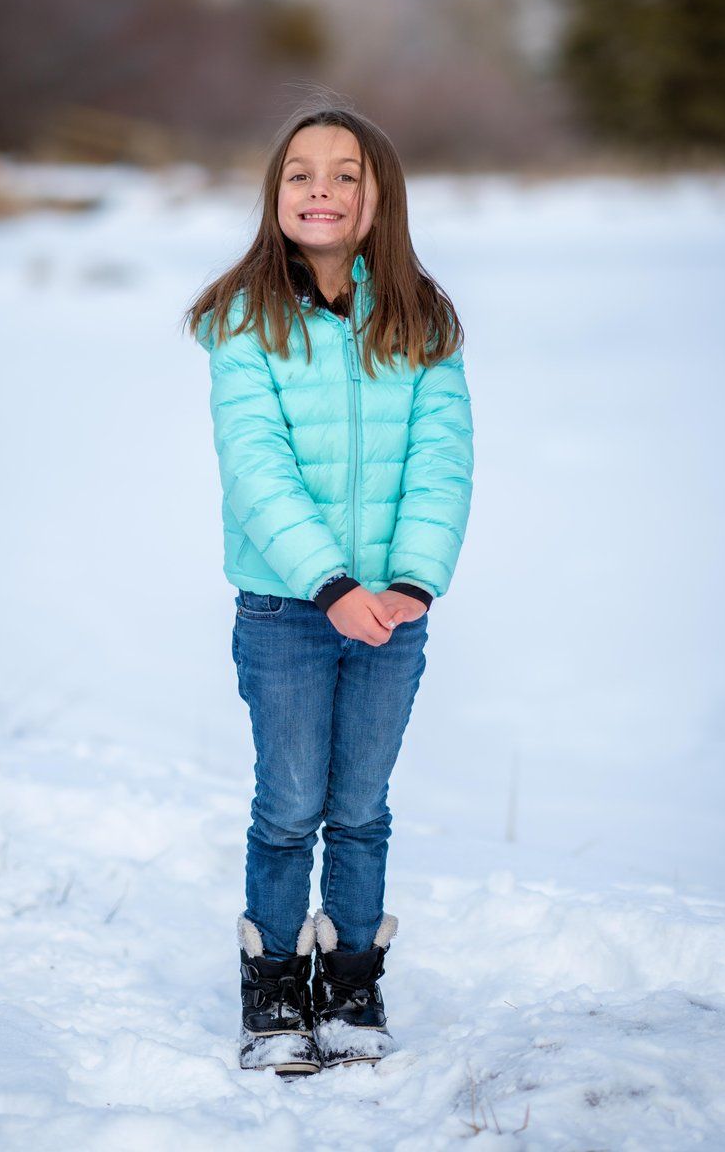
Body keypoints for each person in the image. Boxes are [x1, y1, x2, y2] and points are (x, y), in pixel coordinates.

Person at [185, 100, 474, 1076]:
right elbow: (255, 466)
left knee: (360, 808)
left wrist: (411, 581)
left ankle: (350, 981)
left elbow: (442, 459)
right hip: (285, 610)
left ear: (379, 196)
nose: (322, 189)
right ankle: (272, 986)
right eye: (300, 173)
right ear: (275, 194)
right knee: (290, 804)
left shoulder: (421, 318)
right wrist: (328, 583)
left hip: (393, 611)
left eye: (346, 174)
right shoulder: (245, 320)